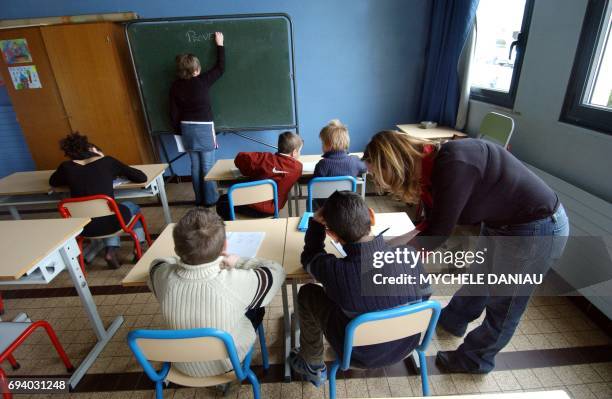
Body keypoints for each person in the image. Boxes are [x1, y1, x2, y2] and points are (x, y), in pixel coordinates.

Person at [362, 131, 569, 374]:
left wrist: (387, 263)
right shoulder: (431, 170)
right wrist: (385, 246)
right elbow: (429, 225)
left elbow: (438, 234)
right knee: (478, 281)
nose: (378, 181)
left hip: (536, 228)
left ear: (394, 163)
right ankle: (452, 320)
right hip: (503, 224)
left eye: (377, 173)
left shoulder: (452, 164)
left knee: (504, 306)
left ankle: (475, 360)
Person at [289, 191, 428, 387]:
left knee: (307, 293)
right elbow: (425, 296)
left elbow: (310, 258)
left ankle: (312, 364)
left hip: (358, 355)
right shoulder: (409, 255)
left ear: (332, 235)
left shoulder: (335, 271)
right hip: (408, 344)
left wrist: (315, 223)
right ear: (372, 215)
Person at [148, 208, 285, 377]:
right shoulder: (235, 282)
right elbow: (277, 272)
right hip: (228, 362)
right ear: (224, 247)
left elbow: (157, 263)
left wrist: (183, 260)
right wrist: (238, 261)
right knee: (257, 306)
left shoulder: (163, 276)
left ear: (176, 250)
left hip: (180, 363)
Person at [49, 132, 148, 269]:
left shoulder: (66, 167)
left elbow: (53, 181)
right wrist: (102, 158)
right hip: (113, 223)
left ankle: (111, 251)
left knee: (107, 212)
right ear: (89, 147)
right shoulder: (107, 162)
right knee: (130, 207)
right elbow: (141, 177)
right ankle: (138, 247)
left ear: (68, 153)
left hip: (83, 227)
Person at [169, 32, 225, 207]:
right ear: (196, 70)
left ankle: (199, 199)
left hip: (186, 129)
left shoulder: (175, 86)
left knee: (194, 165)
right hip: (204, 128)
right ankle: (210, 199)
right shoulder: (202, 81)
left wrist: (179, 131)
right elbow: (220, 67)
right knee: (207, 165)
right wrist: (220, 45)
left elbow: (173, 112)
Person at [216, 131, 303, 220]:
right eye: (300, 151)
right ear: (294, 152)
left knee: (222, 201)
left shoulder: (264, 159)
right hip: (274, 209)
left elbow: (240, 157)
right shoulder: (298, 168)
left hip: (251, 206)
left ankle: (232, 226)